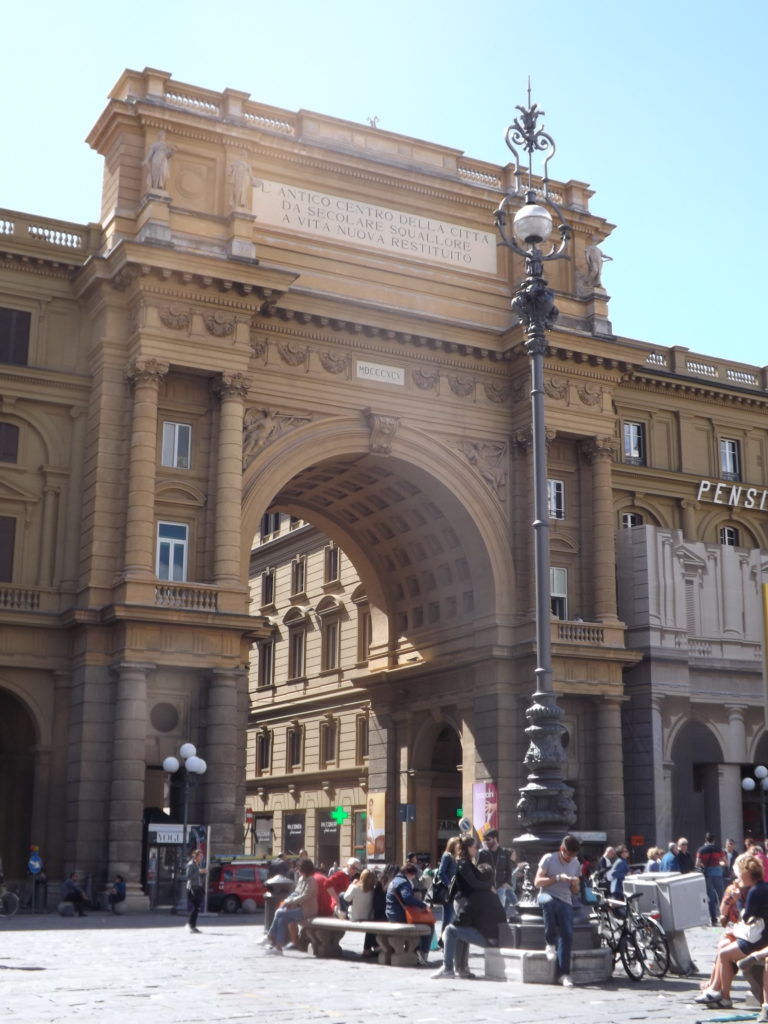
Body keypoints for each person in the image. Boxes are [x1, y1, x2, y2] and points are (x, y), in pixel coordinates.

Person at [695, 854, 768, 1009]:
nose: (739, 878)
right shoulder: (762, 887)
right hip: (759, 936)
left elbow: (746, 917)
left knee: (725, 954)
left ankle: (725, 996)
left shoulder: (755, 891)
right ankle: (716, 989)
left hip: (758, 940)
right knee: (724, 946)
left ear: (746, 873)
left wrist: (738, 899)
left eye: (740, 874)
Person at [431, 861, 506, 979]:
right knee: (460, 932)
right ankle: (461, 968)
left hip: (487, 938)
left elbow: (462, 919)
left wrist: (445, 934)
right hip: (495, 936)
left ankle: (447, 968)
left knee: (451, 930)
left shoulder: (477, 895)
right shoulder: (493, 894)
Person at [535, 834, 581, 988]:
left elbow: (576, 892)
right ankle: (550, 943)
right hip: (546, 895)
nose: (570, 859)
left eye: (573, 856)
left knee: (567, 934)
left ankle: (563, 974)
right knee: (548, 903)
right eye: (568, 855)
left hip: (565, 900)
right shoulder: (548, 858)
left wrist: (574, 884)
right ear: (562, 849)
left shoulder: (576, 863)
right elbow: (537, 882)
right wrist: (557, 878)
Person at [261, 857, 318, 955]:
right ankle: (278, 948)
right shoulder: (301, 879)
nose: (298, 871)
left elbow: (306, 895)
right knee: (282, 919)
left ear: (305, 869)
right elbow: (296, 892)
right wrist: (287, 901)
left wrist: (291, 902)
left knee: (279, 913)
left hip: (307, 910)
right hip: (298, 908)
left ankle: (270, 937)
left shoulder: (311, 881)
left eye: (299, 869)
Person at [386, 863, 432, 966]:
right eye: (413, 875)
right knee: (429, 925)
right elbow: (407, 898)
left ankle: (417, 950)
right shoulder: (404, 882)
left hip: (391, 914)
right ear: (407, 873)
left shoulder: (394, 881)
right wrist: (423, 905)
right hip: (399, 915)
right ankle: (422, 953)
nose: (414, 877)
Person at [477, 829, 527, 916]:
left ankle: (499, 926)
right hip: (488, 887)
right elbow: (479, 870)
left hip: (500, 887)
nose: (486, 842)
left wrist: (507, 882)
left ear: (495, 839)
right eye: (484, 840)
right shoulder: (482, 853)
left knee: (499, 909)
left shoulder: (505, 852)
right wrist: (486, 885)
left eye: (488, 839)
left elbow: (508, 869)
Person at [697, 833, 727, 925]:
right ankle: (724, 917)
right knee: (721, 895)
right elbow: (725, 862)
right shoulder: (718, 849)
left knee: (710, 896)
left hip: (707, 874)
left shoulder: (701, 850)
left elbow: (698, 863)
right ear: (713, 840)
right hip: (718, 873)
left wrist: (704, 865)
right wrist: (719, 864)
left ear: (705, 840)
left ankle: (713, 919)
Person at [434, 836, 460, 929]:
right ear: (453, 845)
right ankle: (443, 939)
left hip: (455, 890)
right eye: (458, 845)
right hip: (448, 891)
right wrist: (449, 885)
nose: (459, 847)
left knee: (454, 916)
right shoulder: (447, 856)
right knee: (448, 916)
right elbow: (441, 872)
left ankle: (448, 937)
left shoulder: (455, 857)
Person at [185, 849, 206, 934]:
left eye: (202, 856)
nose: (201, 858)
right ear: (196, 856)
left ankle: (192, 925)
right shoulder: (190, 864)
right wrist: (199, 871)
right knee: (196, 907)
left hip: (198, 887)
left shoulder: (198, 864)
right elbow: (188, 876)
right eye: (200, 856)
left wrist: (203, 872)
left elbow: (198, 876)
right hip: (192, 888)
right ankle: (190, 925)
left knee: (197, 907)